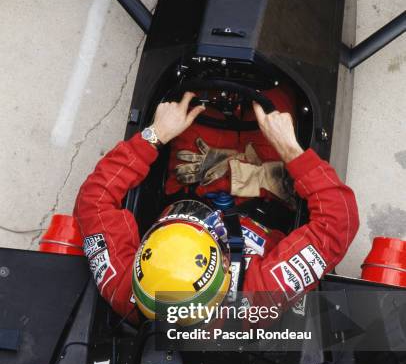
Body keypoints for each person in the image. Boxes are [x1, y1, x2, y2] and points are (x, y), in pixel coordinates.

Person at [74, 92, 359, 322]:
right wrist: (289, 149)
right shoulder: (257, 298)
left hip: (193, 172)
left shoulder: (127, 292)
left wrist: (154, 135)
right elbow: (338, 222)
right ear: (224, 266)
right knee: (276, 90)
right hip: (267, 182)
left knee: (194, 93)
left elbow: (93, 200)